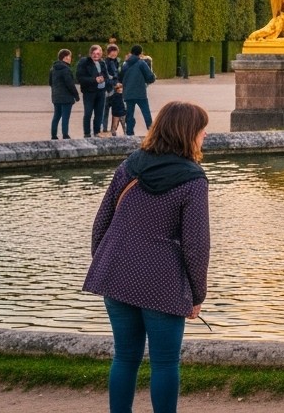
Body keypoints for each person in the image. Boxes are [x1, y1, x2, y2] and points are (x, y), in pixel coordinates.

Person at [83, 101, 211, 413]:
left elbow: (101, 224)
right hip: (162, 280)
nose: (205, 136)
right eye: (202, 130)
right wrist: (197, 293)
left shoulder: (129, 166)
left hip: (117, 273)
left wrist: (106, 265)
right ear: (188, 133)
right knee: (165, 363)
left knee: (125, 357)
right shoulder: (192, 180)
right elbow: (197, 245)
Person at [121, 45, 157, 137]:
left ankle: (129, 133)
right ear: (140, 53)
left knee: (129, 114)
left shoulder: (125, 64)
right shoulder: (141, 63)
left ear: (131, 52)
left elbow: (120, 78)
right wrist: (152, 78)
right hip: (140, 92)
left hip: (128, 93)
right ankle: (151, 133)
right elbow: (149, 77)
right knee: (146, 113)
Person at [75, 44, 109, 138]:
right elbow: (79, 78)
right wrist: (95, 80)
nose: (96, 55)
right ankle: (87, 134)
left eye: (98, 53)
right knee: (88, 113)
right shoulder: (84, 62)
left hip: (101, 92)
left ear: (101, 54)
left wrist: (103, 79)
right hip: (89, 92)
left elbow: (106, 75)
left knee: (99, 114)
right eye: (94, 53)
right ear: (90, 53)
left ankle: (97, 132)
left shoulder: (102, 63)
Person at [48, 48, 77, 140]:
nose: (70, 58)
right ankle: (65, 135)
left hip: (56, 96)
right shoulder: (66, 69)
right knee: (65, 117)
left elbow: (50, 83)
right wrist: (76, 95)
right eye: (69, 56)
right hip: (66, 97)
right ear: (65, 57)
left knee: (56, 116)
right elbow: (70, 84)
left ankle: (53, 135)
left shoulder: (53, 69)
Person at [101, 43, 124, 135]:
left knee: (115, 112)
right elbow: (106, 78)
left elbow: (117, 76)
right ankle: (105, 129)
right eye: (112, 52)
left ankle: (112, 130)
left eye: (115, 52)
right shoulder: (105, 63)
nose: (114, 54)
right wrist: (115, 83)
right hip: (108, 91)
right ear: (108, 53)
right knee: (105, 112)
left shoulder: (117, 62)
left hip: (115, 91)